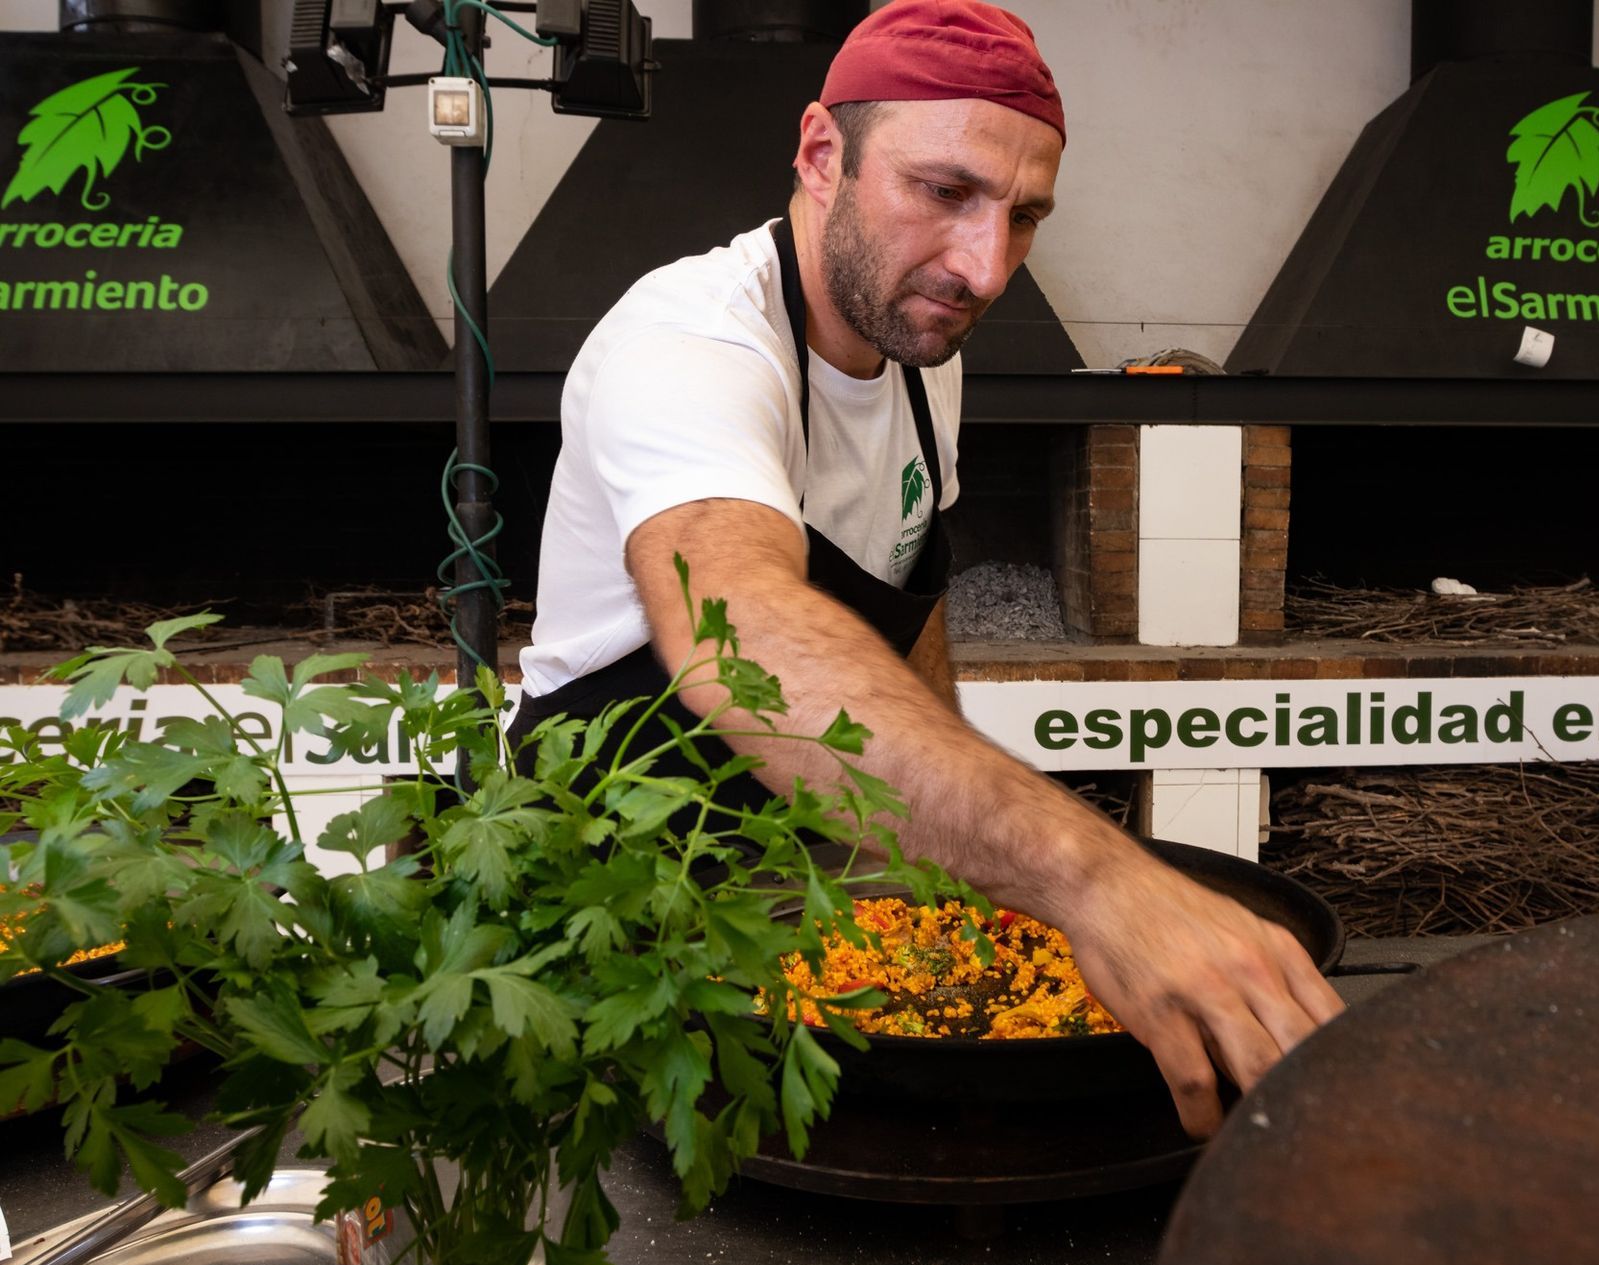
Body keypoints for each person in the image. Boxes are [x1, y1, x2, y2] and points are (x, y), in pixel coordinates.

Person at [511, 0, 1344, 1138]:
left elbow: (909, 609)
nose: (984, 266)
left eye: (1026, 215)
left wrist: (948, 885)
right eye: (945, 192)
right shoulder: (690, 343)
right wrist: (1095, 878)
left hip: (788, 920)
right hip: (596, 950)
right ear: (820, 155)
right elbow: (740, 625)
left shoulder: (920, 349)